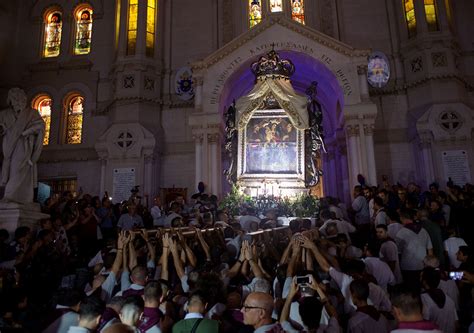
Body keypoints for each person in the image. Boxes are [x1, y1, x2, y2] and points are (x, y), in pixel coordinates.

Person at [0, 87, 45, 203]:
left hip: (23, 146)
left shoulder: (31, 113)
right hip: (8, 147)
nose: (17, 101)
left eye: (19, 98)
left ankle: (10, 195)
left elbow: (40, 126)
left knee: (18, 169)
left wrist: (26, 132)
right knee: (10, 171)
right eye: (14, 99)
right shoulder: (4, 114)